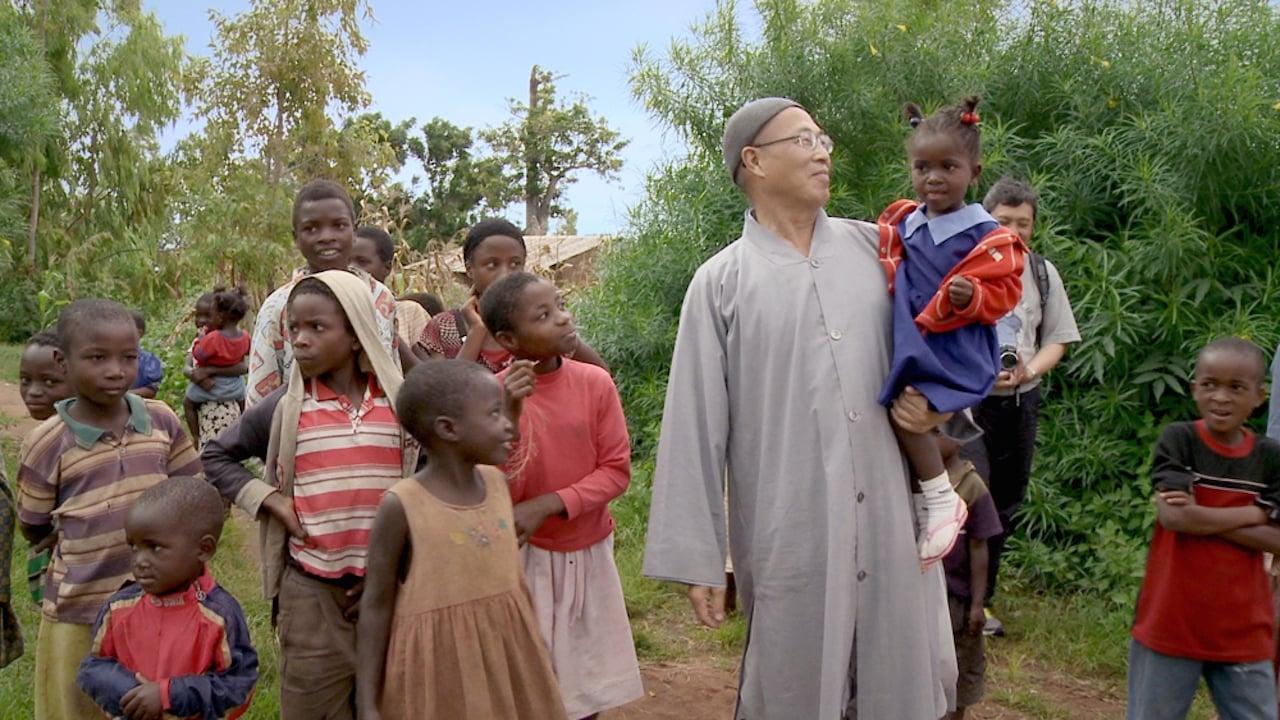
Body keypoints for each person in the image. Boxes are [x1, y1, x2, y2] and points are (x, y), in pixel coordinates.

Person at [644, 97, 960, 719]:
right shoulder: (721, 283)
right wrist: (699, 558)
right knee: (794, 683)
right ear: (754, 161)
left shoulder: (881, 250)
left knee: (899, 678)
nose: (822, 150)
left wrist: (939, 406)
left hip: (891, 517)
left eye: (824, 137)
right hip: (791, 527)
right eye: (804, 139)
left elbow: (953, 337)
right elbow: (695, 425)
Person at [203, 271, 417, 720]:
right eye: (294, 329)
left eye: (317, 328)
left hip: (390, 592)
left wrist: (398, 572)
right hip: (312, 592)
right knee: (312, 702)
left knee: (394, 701)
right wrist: (270, 500)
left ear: (357, 335)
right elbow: (216, 456)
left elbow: (433, 479)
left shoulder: (400, 406)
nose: (300, 340)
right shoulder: (287, 406)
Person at [16, 298, 201, 720]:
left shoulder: (161, 420)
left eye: (128, 357)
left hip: (156, 600)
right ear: (62, 362)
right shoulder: (47, 442)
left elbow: (191, 490)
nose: (116, 370)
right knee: (78, 701)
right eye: (97, 357)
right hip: (81, 603)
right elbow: (33, 523)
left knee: (151, 700)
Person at [356, 360, 566, 720]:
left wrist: (538, 655)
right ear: (449, 429)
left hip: (510, 659)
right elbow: (375, 605)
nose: (508, 425)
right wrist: (367, 703)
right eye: (495, 413)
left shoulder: (497, 484)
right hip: (440, 677)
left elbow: (514, 587)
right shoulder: (402, 505)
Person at [482, 272, 644, 718]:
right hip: (523, 555)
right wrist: (511, 411)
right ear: (508, 338)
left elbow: (615, 472)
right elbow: (493, 482)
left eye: (560, 305)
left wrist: (550, 503)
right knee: (528, 677)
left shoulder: (595, 384)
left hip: (587, 550)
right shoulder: (490, 395)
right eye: (544, 315)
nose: (563, 318)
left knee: (584, 678)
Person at [876, 97, 1027, 568]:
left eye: (948, 166)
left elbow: (1006, 291)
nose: (933, 178)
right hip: (915, 338)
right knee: (900, 414)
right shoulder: (906, 221)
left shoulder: (985, 235)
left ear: (974, 172)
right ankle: (936, 491)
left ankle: (941, 494)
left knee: (909, 413)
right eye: (922, 167)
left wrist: (973, 299)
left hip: (951, 347)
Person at [1129, 337, 1280, 720]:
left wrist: (1200, 514)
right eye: (1209, 384)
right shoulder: (1180, 440)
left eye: (1236, 388)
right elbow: (1174, 518)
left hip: (1244, 628)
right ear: (1194, 387)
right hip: (1171, 621)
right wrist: (1252, 515)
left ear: (1260, 396)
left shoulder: (1269, 459)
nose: (1221, 398)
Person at [966, 176, 1080, 637]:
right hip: (969, 404)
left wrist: (1028, 372)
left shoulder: (1040, 273)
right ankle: (955, 596)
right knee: (970, 498)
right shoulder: (963, 266)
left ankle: (983, 599)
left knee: (1006, 503)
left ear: (1034, 226)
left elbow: (1057, 340)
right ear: (984, 220)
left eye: (1023, 222)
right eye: (1002, 221)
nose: (1013, 230)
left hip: (1019, 402)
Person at [77, 476, 258, 719]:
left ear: (204, 549)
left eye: (155, 548)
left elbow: (239, 686)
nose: (139, 561)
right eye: (134, 547)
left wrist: (167, 695)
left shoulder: (220, 616)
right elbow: (92, 668)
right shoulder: (118, 607)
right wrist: (130, 692)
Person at [245, 179, 409, 407]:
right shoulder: (279, 305)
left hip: (377, 433)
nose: (326, 236)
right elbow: (259, 396)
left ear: (354, 230)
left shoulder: (380, 298)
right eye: (311, 228)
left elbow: (392, 372)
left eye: (339, 225)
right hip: (306, 435)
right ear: (296, 237)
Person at [414, 218, 608, 373]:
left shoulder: (542, 321)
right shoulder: (445, 327)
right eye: (492, 265)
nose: (505, 274)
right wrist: (476, 333)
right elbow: (443, 399)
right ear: (470, 269)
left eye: (515, 263)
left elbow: (601, 377)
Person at [938, 435, 1001, 719]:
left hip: (957, 599)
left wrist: (977, 604)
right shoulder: (913, 478)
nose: (931, 441)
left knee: (960, 670)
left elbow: (979, 545)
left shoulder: (971, 485)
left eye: (937, 434)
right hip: (926, 595)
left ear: (958, 440)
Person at [17, 331, 74, 609]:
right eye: (25, 380)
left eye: (50, 382)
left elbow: (29, 522)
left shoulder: (46, 441)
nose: (33, 391)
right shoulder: (41, 438)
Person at [183, 286, 251, 448]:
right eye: (198, 315)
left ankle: (195, 436)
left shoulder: (212, 339)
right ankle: (245, 426)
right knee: (243, 400)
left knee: (188, 403)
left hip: (212, 389)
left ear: (220, 317)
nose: (203, 320)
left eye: (209, 315)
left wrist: (199, 341)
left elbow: (197, 356)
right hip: (235, 387)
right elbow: (244, 362)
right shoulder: (244, 336)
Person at [350, 225, 432, 349]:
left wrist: (389, 329)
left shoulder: (409, 313)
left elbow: (428, 367)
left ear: (387, 267)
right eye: (346, 261)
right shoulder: (333, 311)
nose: (352, 269)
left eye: (362, 262)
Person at [129, 310, 164, 399]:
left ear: (139, 333)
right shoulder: (112, 359)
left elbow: (151, 391)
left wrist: (125, 395)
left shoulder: (148, 361)